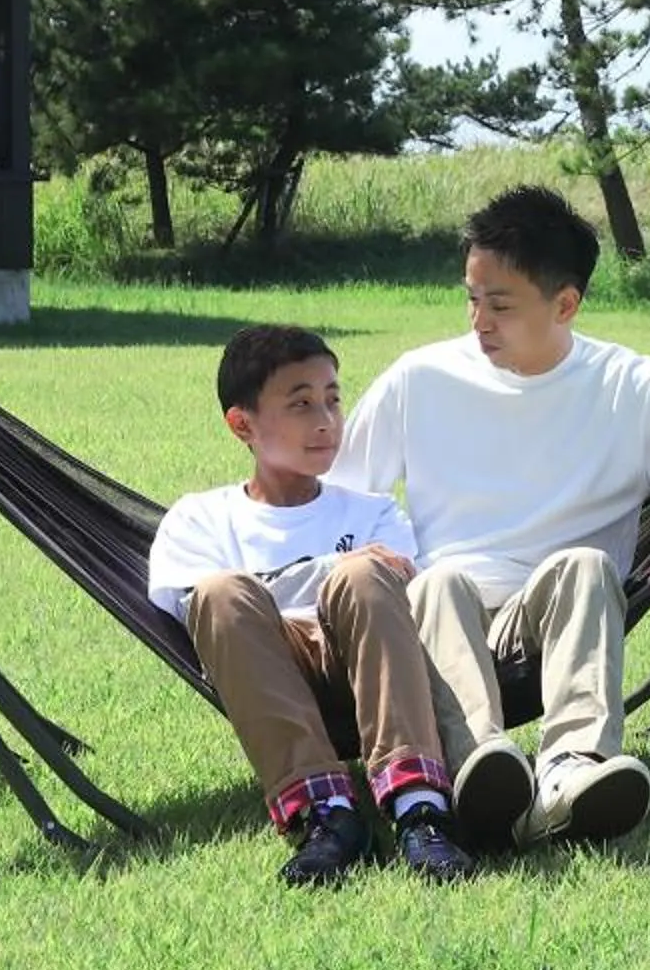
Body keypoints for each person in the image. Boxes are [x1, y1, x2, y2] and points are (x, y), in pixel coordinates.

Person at [330, 186, 650, 850]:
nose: (478, 320)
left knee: (583, 565)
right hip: (443, 620)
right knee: (437, 582)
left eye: (500, 304)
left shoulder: (628, 386)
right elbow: (339, 495)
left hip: (552, 622)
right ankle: (483, 771)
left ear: (565, 304)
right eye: (470, 297)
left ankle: (571, 770)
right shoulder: (421, 378)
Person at [146, 324, 476, 886]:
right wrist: (323, 572)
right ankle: (329, 815)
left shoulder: (372, 512)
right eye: (300, 403)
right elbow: (203, 612)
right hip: (271, 668)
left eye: (332, 398)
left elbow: (391, 587)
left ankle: (418, 809)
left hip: (363, 659)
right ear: (242, 424)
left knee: (364, 573)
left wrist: (329, 576)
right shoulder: (199, 519)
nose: (325, 420)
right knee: (224, 592)